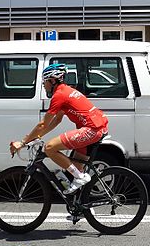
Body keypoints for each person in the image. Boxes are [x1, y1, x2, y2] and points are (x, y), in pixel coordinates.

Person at [9, 63, 109, 194]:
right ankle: (81, 209)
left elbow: (42, 124)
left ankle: (80, 177)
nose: (44, 85)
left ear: (52, 80)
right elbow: (57, 120)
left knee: (50, 148)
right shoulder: (66, 91)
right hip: (96, 127)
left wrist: (23, 142)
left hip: (92, 129)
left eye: (45, 82)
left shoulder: (59, 95)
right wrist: (37, 137)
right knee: (76, 168)